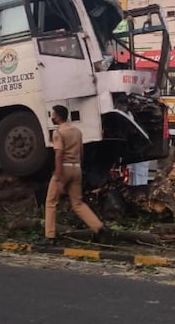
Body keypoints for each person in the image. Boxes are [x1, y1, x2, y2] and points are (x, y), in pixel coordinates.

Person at [40, 105, 110, 245]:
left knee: (51, 202)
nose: (52, 117)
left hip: (64, 169)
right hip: (76, 169)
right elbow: (81, 152)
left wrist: (59, 178)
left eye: (53, 115)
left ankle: (50, 237)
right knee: (78, 203)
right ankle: (99, 228)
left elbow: (59, 154)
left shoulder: (58, 132)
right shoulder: (77, 131)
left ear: (58, 116)